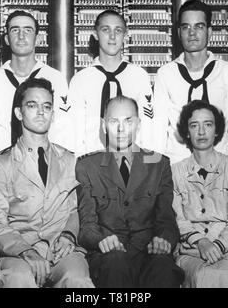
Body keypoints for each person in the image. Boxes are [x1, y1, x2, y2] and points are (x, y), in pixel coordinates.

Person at [0, 78, 94, 288]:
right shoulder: (0, 165)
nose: (41, 112)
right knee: (19, 280)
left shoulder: (69, 160)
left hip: (60, 249)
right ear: (19, 113)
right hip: (19, 252)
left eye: (47, 106)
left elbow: (74, 210)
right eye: (32, 106)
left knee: (78, 279)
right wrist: (27, 251)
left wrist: (69, 235)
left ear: (53, 114)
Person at [76, 96, 184, 288]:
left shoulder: (159, 163)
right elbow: (86, 225)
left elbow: (166, 219)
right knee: (114, 263)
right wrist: (101, 241)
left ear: (138, 124)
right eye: (113, 121)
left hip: (148, 253)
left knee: (163, 267)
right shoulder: (87, 166)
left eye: (128, 121)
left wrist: (164, 240)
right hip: (110, 257)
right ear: (103, 125)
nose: (121, 129)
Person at [154, 0, 228, 164]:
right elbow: (157, 129)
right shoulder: (166, 74)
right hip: (178, 168)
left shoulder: (227, 72)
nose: (192, 33)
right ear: (179, 33)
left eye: (199, 26)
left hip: (221, 169)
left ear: (210, 32)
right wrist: (156, 173)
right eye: (186, 27)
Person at [172, 100, 228, 287]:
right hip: (190, 252)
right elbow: (178, 218)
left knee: (226, 273)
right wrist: (201, 242)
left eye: (208, 124)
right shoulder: (176, 171)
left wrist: (218, 245)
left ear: (217, 131)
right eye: (194, 125)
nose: (201, 132)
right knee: (203, 275)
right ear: (187, 133)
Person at [0, 10, 71, 153]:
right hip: (2, 166)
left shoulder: (55, 78)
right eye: (15, 30)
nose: (21, 36)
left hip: (45, 163)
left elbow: (63, 133)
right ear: (6, 39)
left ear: (37, 39)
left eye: (28, 30)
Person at [69, 9, 160, 157]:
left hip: (132, 161)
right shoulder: (81, 79)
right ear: (95, 34)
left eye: (118, 30)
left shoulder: (139, 76)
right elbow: (74, 132)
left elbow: (148, 126)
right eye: (106, 30)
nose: (112, 36)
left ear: (125, 34)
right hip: (93, 162)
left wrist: (146, 165)